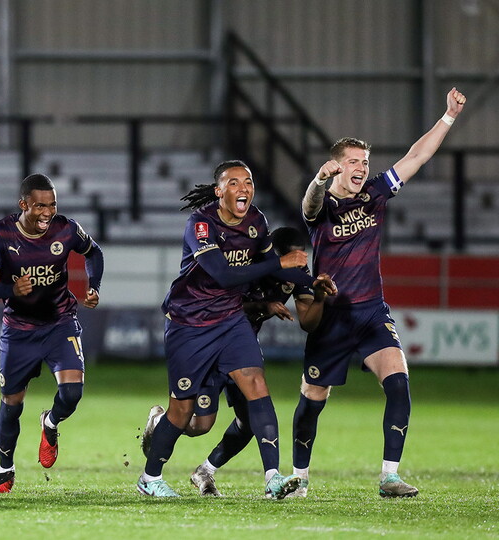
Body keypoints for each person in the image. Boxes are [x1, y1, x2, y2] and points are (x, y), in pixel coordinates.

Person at [291, 87, 466, 499]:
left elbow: (417, 157)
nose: (361, 167)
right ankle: (298, 477)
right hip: (331, 318)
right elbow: (309, 202)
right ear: (336, 166)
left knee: (400, 383)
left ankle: (389, 476)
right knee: (313, 400)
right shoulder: (322, 210)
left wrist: (448, 117)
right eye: (353, 161)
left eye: (365, 162)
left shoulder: (375, 193)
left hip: (371, 312)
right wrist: (319, 179)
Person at [137, 160, 309, 499]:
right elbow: (223, 275)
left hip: (231, 321)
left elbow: (267, 270)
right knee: (186, 414)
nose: (243, 187)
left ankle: (273, 478)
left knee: (257, 385)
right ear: (219, 191)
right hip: (190, 324)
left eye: (248, 181)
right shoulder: (200, 225)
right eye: (233, 182)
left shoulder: (256, 222)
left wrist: (312, 282)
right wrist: (280, 263)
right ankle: (149, 478)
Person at [140, 226, 337, 497]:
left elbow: (308, 322)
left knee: (251, 417)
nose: (291, 268)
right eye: (286, 260)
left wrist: (321, 296)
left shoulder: (296, 276)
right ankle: (160, 423)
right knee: (199, 425)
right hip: (209, 343)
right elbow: (216, 304)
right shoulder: (248, 265)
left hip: (240, 348)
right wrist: (262, 307)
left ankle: (217, 471)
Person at [0, 173, 104, 494]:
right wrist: (11, 289)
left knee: (73, 394)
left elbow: (94, 253)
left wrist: (94, 287)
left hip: (60, 323)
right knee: (12, 404)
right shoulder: (1, 233)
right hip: (19, 331)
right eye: (39, 206)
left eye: (52, 205)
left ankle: (51, 422)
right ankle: (6, 471)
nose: (47, 212)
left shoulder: (67, 229)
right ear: (23, 205)